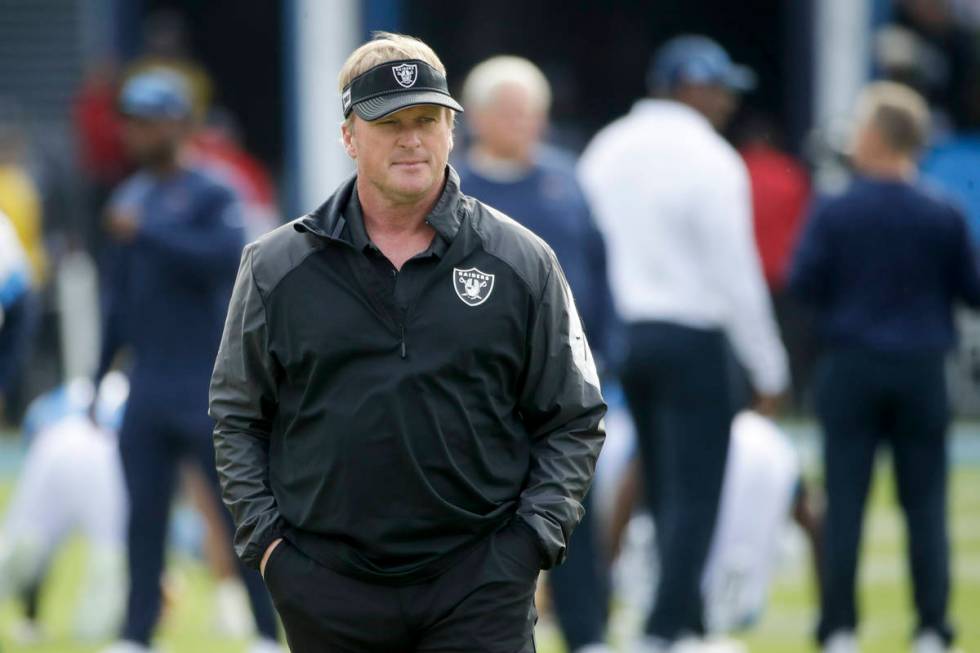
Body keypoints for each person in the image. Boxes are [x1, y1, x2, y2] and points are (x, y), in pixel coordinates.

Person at [210, 32, 606, 653]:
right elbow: (237, 416)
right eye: (390, 121)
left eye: (427, 118)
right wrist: (271, 551)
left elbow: (574, 416)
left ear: (452, 129)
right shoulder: (275, 265)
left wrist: (530, 543)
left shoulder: (521, 260)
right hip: (326, 585)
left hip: (480, 582)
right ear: (348, 136)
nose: (412, 137)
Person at [579, 35, 789, 653]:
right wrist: (769, 365)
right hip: (692, 333)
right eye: (717, 86)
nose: (726, 100)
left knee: (663, 481)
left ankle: (684, 619)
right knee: (694, 487)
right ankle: (665, 628)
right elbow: (736, 272)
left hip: (624, 333)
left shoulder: (606, 148)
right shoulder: (711, 157)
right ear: (688, 86)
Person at [789, 81, 980, 653]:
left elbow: (803, 284)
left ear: (875, 136)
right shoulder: (941, 209)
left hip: (851, 365)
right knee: (926, 505)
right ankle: (930, 628)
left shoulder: (838, 207)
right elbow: (973, 290)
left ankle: (840, 628)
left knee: (844, 501)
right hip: (922, 366)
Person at [95, 70, 280, 653]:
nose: (136, 134)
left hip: (208, 381)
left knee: (240, 515)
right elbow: (118, 301)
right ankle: (137, 634)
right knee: (143, 519)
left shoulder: (215, 189)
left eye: (148, 122)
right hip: (147, 381)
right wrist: (102, 373)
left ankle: (264, 633)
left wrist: (146, 231)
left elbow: (223, 257)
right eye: (131, 123)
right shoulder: (130, 197)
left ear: (178, 123)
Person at [455, 54, 616, 653]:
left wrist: (605, 356)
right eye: (513, 111)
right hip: (478, 387)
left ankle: (589, 634)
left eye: (534, 112)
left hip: (563, 382)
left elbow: (599, 271)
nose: (527, 123)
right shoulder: (455, 188)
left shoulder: (566, 180)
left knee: (572, 510)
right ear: (478, 117)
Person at [0, 373, 128, 643]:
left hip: (51, 445)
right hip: (107, 452)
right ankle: (98, 632)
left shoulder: (74, 386)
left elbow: (33, 424)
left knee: (26, 544)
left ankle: (30, 619)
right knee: (112, 555)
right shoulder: (126, 387)